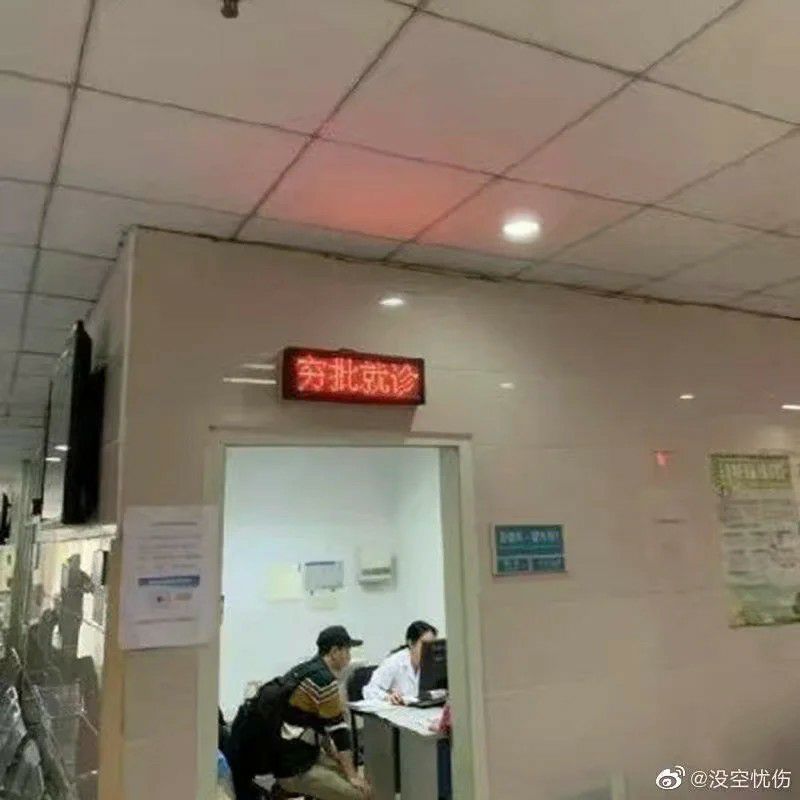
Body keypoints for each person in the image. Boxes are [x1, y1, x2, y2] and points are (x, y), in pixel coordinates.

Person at [275, 625, 373, 800]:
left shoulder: (307, 670)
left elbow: (319, 723)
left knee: (343, 771)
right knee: (359, 794)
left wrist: (334, 756)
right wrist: (352, 776)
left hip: (294, 754)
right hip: (295, 766)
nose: (349, 656)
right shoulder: (323, 680)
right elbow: (339, 734)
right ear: (334, 652)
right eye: (347, 650)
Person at [363, 621, 438, 705]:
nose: (429, 649)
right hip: (398, 710)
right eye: (425, 644)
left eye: (432, 645)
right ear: (411, 643)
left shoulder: (432, 663)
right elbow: (370, 690)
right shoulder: (394, 662)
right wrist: (387, 697)